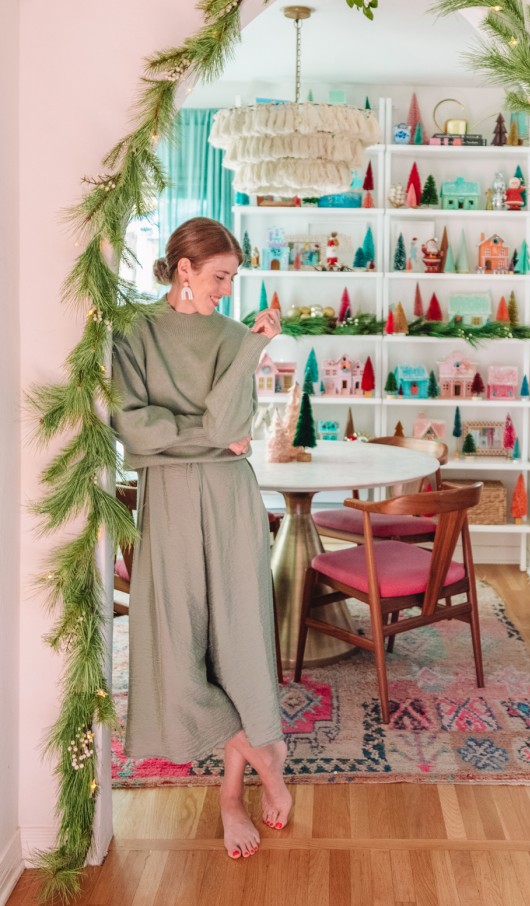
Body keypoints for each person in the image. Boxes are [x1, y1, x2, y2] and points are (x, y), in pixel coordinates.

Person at [111, 217, 291, 861]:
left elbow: (228, 423)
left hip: (229, 497)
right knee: (177, 643)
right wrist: (209, 438)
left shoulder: (231, 335)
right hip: (168, 500)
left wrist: (251, 349)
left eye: (233, 279)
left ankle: (232, 796)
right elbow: (136, 430)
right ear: (183, 269)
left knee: (237, 638)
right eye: (219, 277)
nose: (226, 289)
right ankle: (263, 746)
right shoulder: (132, 333)